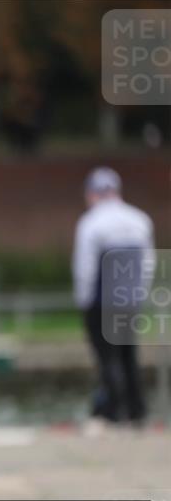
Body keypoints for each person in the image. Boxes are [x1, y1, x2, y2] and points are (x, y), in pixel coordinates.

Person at [72, 166, 155, 430]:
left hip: (101, 301)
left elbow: (84, 267)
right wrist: (140, 294)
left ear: (92, 194)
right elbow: (149, 263)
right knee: (129, 355)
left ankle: (113, 412)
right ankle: (137, 410)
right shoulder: (140, 219)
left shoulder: (91, 223)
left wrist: (83, 300)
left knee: (107, 358)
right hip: (129, 300)